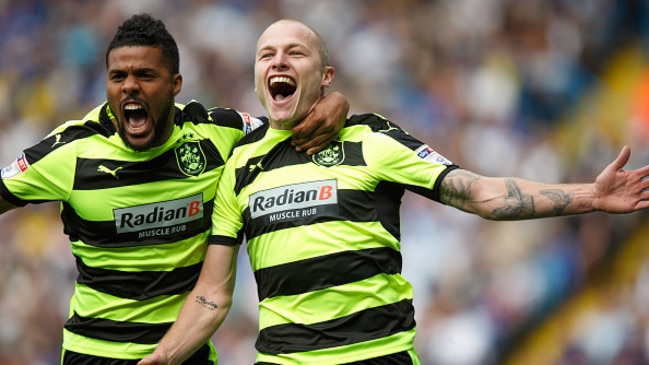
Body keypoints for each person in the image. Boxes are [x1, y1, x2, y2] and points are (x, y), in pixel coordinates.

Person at [138, 19, 649, 365]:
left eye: (295, 52)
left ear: (326, 75)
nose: (278, 61)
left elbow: (478, 194)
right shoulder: (240, 168)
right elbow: (212, 294)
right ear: (256, 78)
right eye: (266, 54)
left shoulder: (372, 140)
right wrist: (165, 354)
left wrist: (591, 196)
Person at [0, 14, 349, 364]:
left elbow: (290, 126)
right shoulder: (71, 151)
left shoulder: (217, 133)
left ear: (175, 83)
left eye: (146, 76)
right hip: (95, 353)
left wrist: (333, 104)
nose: (130, 87)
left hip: (186, 352)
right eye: (118, 76)